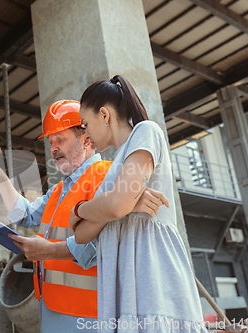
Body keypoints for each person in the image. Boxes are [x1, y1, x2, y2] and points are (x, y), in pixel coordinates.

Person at [0, 100, 168, 332]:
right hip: (51, 307)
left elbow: (104, 247)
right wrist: (0, 177)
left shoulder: (109, 177)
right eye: (51, 142)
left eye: (61, 139)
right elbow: (24, 215)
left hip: (88, 313)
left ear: (86, 139)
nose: (53, 148)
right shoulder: (59, 190)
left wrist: (49, 251)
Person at [69, 75, 206, 332]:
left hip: (152, 271)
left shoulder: (146, 131)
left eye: (85, 124)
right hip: (126, 280)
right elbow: (80, 233)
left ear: (105, 115)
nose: (85, 136)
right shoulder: (113, 171)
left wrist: (89, 207)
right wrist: (108, 204)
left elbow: (116, 206)